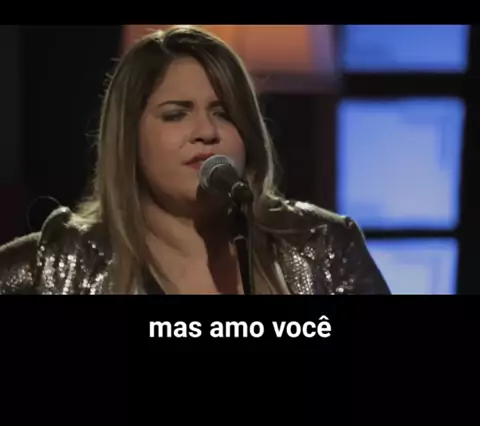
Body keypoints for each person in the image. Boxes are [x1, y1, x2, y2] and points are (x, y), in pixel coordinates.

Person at [0, 25, 390, 295]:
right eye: (176, 114)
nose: (206, 131)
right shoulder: (55, 264)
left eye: (224, 113)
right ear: (129, 137)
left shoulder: (323, 247)